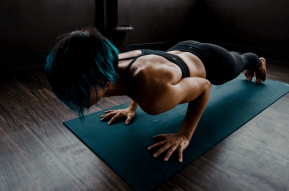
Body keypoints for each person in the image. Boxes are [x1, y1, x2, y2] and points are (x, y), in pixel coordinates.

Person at [45, 26, 267, 163]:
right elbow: (133, 80)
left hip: (216, 62)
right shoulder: (112, 66)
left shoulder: (153, 98)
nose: (71, 98)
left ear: (103, 81)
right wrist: (132, 107)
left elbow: (204, 86)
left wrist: (184, 135)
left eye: (76, 92)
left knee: (244, 60)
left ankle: (259, 61)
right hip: (181, 49)